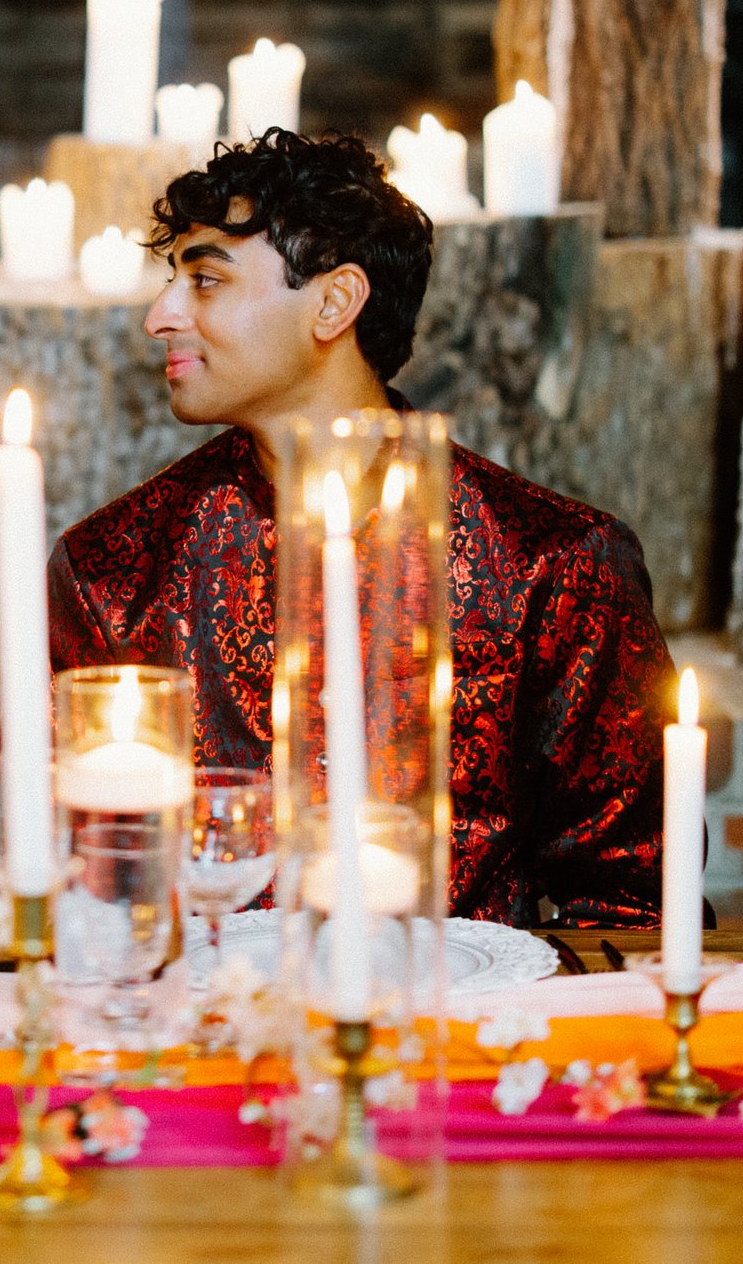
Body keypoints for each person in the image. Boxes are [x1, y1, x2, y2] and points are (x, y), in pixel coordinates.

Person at [48, 128, 672, 926]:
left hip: (462, 1030)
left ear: (335, 302)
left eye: (204, 281)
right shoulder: (114, 570)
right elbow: (71, 879)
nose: (159, 316)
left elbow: (629, 903)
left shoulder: (550, 566)